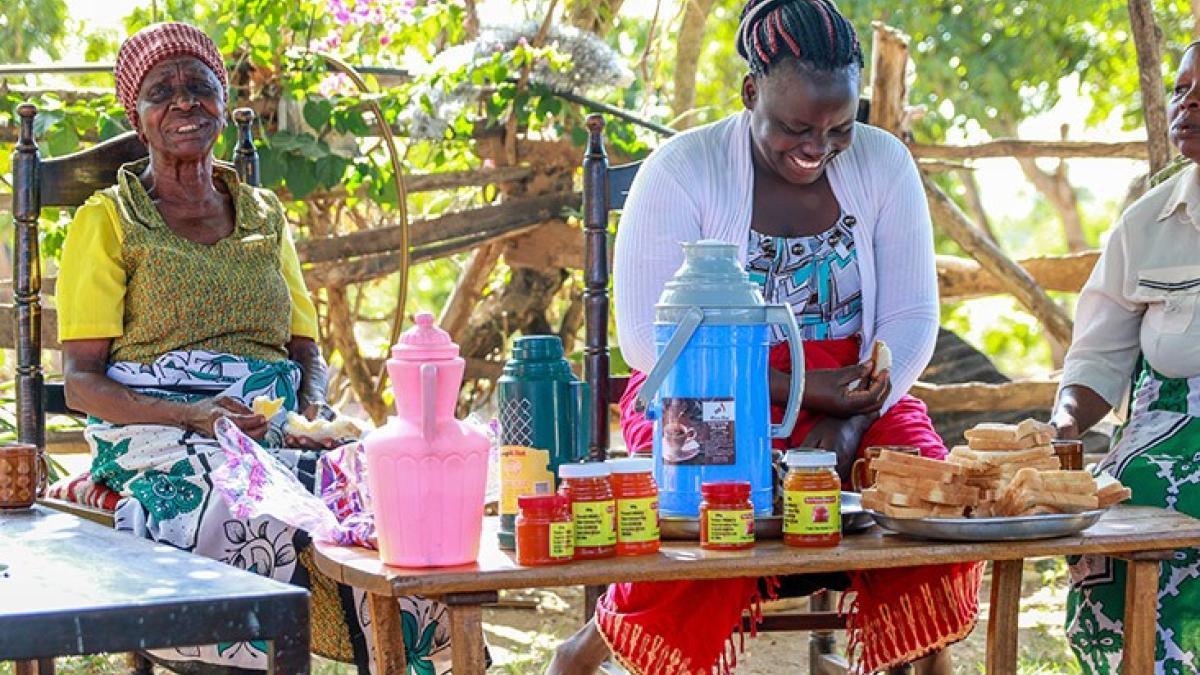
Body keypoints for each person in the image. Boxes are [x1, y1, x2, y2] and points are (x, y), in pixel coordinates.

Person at [549, 2, 982, 674]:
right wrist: (800, 391)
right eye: (795, 126)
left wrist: (847, 420)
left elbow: (911, 320)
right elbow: (644, 342)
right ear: (751, 91)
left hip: (860, 389)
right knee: (712, 503)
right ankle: (586, 651)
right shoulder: (682, 169)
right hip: (700, 387)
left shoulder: (884, 164)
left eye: (839, 128)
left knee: (924, 499)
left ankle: (912, 660)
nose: (818, 146)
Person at [56, 22, 449, 672]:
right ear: (139, 116)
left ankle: (406, 660)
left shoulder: (264, 215)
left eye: (199, 87)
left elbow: (306, 350)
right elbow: (80, 383)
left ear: (221, 99)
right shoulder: (109, 220)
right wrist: (195, 414)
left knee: (393, 492)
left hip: (273, 429)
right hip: (157, 433)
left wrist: (315, 411)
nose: (185, 102)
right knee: (243, 502)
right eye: (163, 91)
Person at [1051, 40, 1200, 675]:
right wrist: (1059, 428)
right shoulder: (1146, 226)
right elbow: (1096, 360)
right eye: (1182, 89)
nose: (1186, 104)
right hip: (1167, 436)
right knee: (1124, 496)